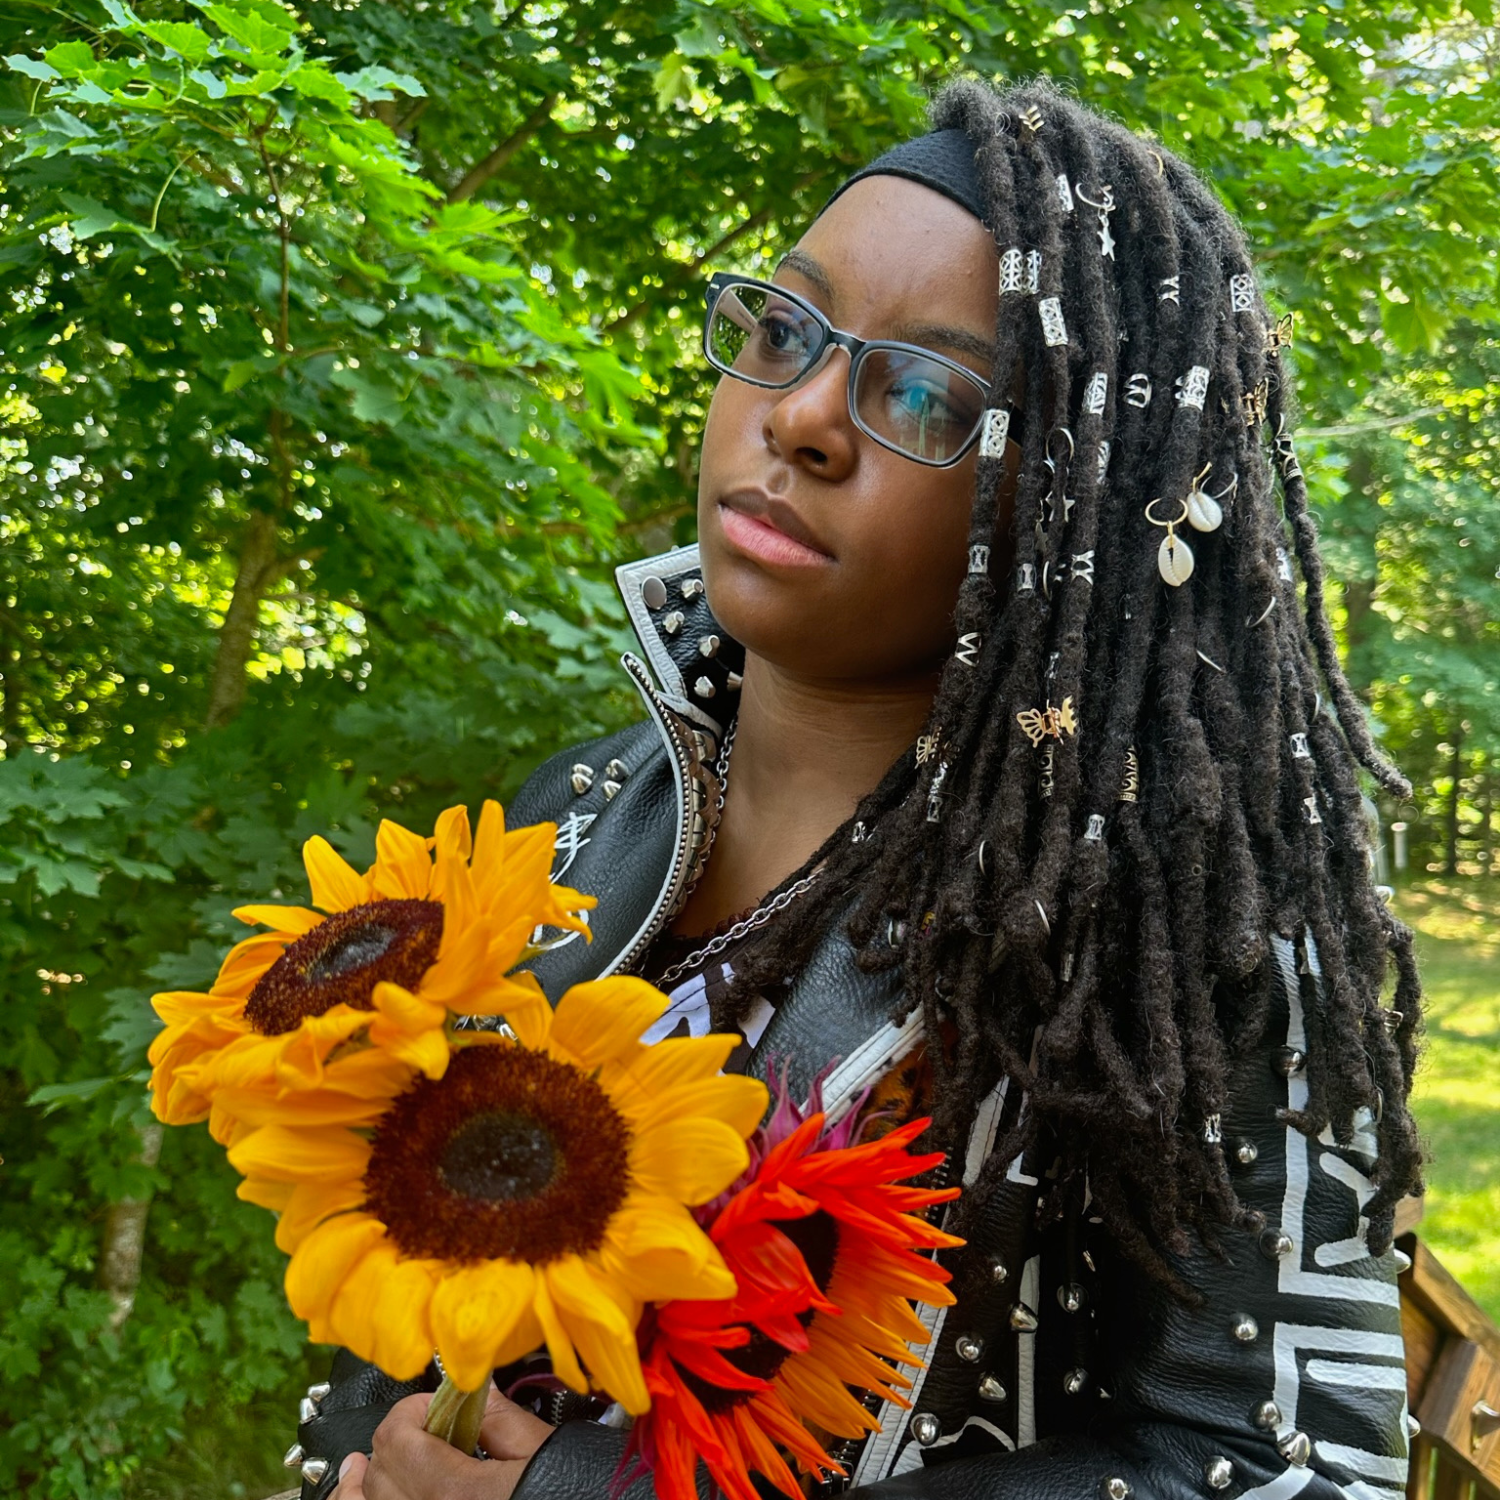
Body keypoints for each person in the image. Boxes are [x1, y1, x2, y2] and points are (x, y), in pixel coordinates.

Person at [298, 76, 1423, 1500]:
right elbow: (390, 1300)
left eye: (923, 393)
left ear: (1064, 498)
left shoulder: (1172, 938)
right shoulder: (566, 818)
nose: (807, 419)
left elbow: (1292, 1474)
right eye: (783, 330)